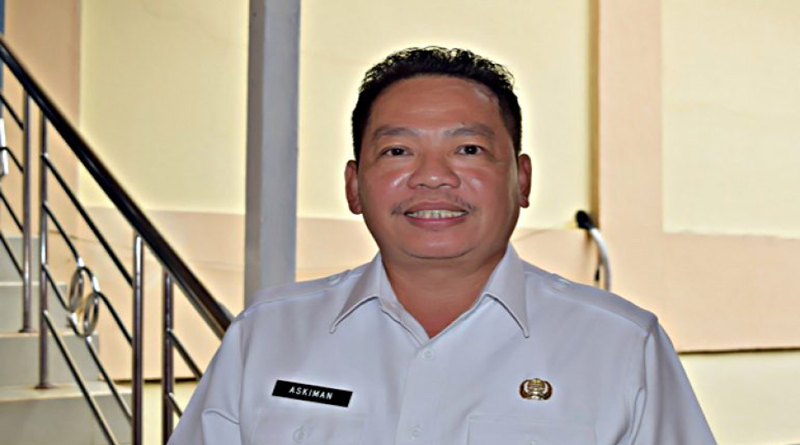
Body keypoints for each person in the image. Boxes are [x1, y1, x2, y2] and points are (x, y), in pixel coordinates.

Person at [169, 47, 716, 444]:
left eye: (469, 149)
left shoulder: (622, 346)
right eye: (397, 151)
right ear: (354, 186)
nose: (433, 176)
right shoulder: (267, 334)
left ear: (522, 180)